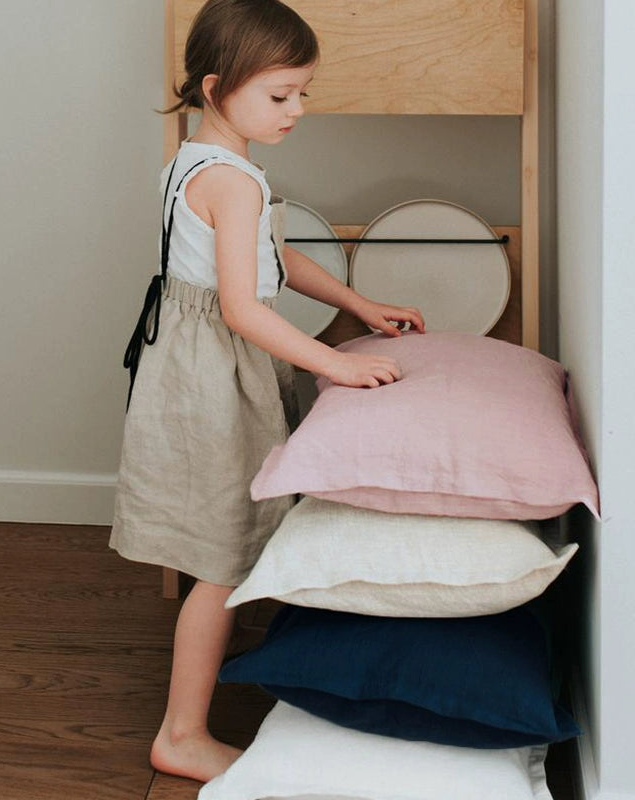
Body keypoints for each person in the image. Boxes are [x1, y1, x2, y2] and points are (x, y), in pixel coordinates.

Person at [109, 0, 426, 784]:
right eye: (282, 94)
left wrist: (356, 305)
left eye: (304, 93)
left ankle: (219, 657)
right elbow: (246, 306)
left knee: (231, 534)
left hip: (196, 361)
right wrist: (336, 365)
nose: (298, 110)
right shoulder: (233, 181)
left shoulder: (201, 159)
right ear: (217, 86)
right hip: (215, 369)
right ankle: (181, 733)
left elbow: (270, 257)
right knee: (220, 553)